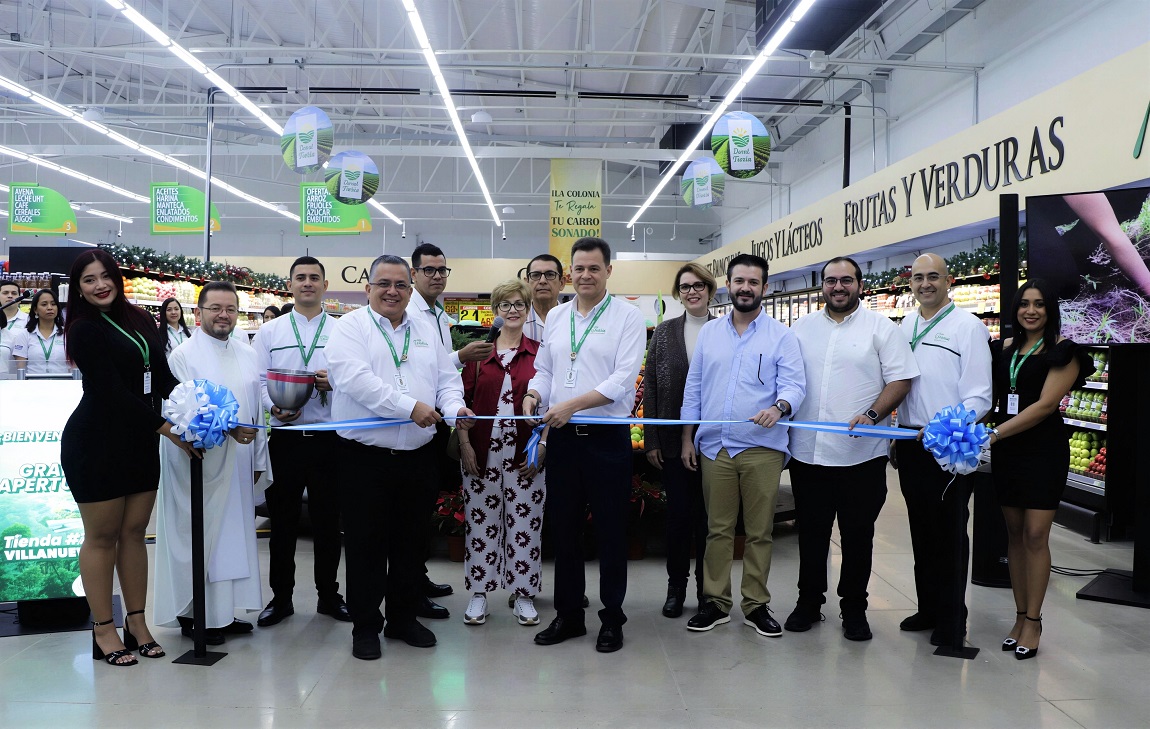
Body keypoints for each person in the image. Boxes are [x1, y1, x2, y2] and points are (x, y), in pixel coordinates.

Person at [325, 254, 476, 661]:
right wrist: (409, 406)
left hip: (417, 456)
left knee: (412, 544)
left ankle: (403, 620)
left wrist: (454, 407)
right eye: (384, 284)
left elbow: (447, 378)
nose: (393, 292)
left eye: (401, 285)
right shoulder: (348, 328)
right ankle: (366, 627)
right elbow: (356, 381)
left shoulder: (426, 328)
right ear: (367, 288)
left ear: (411, 289)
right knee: (366, 545)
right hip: (364, 459)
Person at [60, 249, 196, 666]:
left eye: (105, 276)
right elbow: (110, 391)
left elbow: (164, 377)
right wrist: (168, 429)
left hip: (138, 442)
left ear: (117, 277)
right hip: (96, 443)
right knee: (102, 537)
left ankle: (136, 623)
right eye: (88, 280)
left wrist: (197, 408)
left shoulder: (138, 318)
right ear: (78, 288)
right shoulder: (83, 329)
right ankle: (104, 628)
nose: (99, 285)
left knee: (135, 534)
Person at [784, 256, 919, 641]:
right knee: (811, 533)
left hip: (862, 456)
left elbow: (901, 379)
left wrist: (873, 414)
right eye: (830, 281)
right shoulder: (802, 328)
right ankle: (808, 602)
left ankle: (854, 609)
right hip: (809, 454)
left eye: (846, 280)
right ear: (822, 285)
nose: (838, 287)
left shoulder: (881, 328)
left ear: (860, 284)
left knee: (858, 535)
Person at [525, 237, 646, 653]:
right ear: (568, 274)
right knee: (565, 531)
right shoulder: (557, 317)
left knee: (611, 531)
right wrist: (533, 395)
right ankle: (569, 615)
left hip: (606, 440)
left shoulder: (628, 317)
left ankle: (612, 618)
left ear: (608, 271)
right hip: (563, 442)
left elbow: (622, 381)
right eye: (578, 269)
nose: (586, 275)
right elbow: (544, 368)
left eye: (594, 268)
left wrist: (571, 406)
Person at [680, 254, 806, 637]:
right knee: (717, 530)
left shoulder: (781, 336)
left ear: (764, 288)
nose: (746, 288)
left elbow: (795, 386)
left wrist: (779, 407)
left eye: (753, 282)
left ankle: (756, 605)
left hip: (761, 447)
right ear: (729, 285)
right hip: (714, 446)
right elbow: (695, 388)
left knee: (759, 532)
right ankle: (715, 603)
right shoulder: (710, 334)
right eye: (739, 281)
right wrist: (687, 437)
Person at [154, 281, 266, 645]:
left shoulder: (246, 351)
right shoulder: (183, 355)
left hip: (241, 458)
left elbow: (256, 405)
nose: (224, 315)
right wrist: (228, 429)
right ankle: (194, 613)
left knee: (232, 534)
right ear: (198, 312)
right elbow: (180, 410)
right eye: (215, 308)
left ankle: (223, 612)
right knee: (200, 535)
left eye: (230, 309)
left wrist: (260, 455)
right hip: (198, 460)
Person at [988, 279, 1092, 660]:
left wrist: (995, 435)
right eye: (1024, 304)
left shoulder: (1065, 352)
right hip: (1007, 451)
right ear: (1015, 309)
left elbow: (1046, 405)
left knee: (1035, 535)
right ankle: (1018, 616)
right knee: (1013, 535)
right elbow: (992, 398)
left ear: (1050, 310)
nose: (1030, 311)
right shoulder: (1002, 348)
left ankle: (1034, 620)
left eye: (1039, 305)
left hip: (1042, 451)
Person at [894, 254, 993, 647]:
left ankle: (952, 619)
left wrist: (940, 428)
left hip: (949, 445)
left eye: (933, 276)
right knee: (921, 529)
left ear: (948, 281)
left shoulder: (968, 327)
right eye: (918, 278)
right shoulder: (905, 325)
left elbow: (979, 395)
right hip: (909, 442)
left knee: (950, 531)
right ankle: (929, 607)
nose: (925, 284)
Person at [251, 256, 348, 627]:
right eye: (300, 278)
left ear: (325, 286)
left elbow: (356, 379)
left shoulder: (343, 331)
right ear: (290, 285)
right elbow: (259, 380)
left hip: (329, 439)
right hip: (286, 440)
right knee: (284, 523)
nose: (307, 283)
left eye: (314, 278)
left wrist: (334, 382)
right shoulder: (270, 332)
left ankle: (329, 596)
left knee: (328, 523)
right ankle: (282, 598)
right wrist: (272, 408)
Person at [407, 242, 493, 619]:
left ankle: (418, 576)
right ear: (414, 274)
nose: (437, 276)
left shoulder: (439, 314)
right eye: (429, 270)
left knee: (423, 507)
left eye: (443, 270)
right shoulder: (408, 312)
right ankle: (409, 589)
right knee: (409, 516)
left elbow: (439, 372)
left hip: (434, 423)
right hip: (411, 421)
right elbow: (416, 366)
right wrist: (462, 356)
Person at [457, 279, 546, 627]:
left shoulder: (541, 353)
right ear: (495, 311)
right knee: (480, 523)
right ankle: (479, 594)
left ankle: (523, 594)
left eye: (519, 304)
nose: (512, 311)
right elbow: (460, 402)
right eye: (505, 305)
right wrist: (465, 445)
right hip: (482, 451)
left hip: (527, 451)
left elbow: (551, 401)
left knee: (526, 522)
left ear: (528, 310)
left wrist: (543, 446)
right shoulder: (479, 355)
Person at [643, 262, 715, 618]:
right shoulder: (665, 332)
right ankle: (676, 588)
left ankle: (707, 590)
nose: (692, 291)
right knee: (678, 518)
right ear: (678, 292)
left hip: (716, 442)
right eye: (685, 286)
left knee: (710, 521)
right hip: (671, 440)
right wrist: (653, 437)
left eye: (699, 285)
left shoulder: (726, 329)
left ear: (710, 289)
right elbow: (652, 385)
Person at [12, 289, 70, 375]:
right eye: (44, 304)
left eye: (53, 304)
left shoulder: (68, 334)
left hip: (62, 384)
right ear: (35, 310)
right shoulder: (24, 335)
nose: (50, 307)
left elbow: (74, 367)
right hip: (33, 385)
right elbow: (21, 369)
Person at [523, 254, 566, 342]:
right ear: (527, 284)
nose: (542, 281)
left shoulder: (574, 320)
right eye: (535, 275)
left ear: (561, 283)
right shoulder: (514, 322)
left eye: (550, 274)